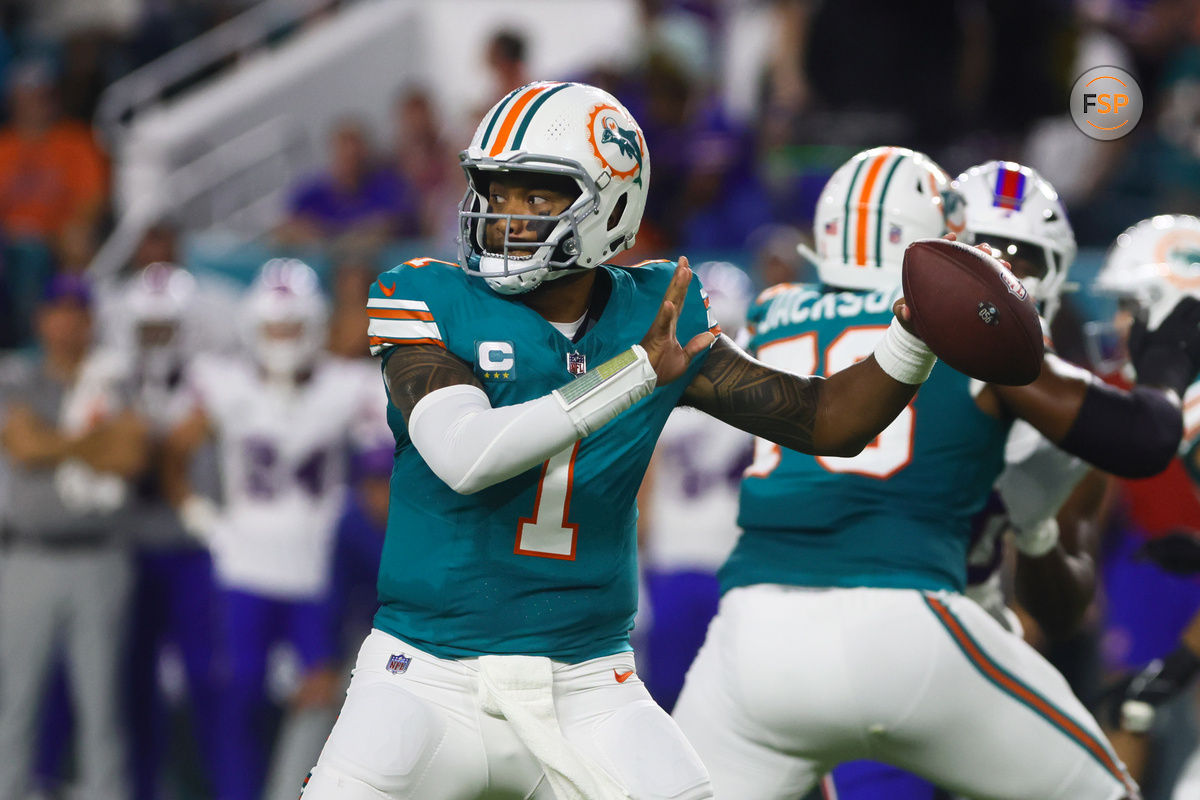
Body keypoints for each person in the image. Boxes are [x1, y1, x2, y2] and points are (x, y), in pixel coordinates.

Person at [301, 81, 942, 800]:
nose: (504, 212)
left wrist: (914, 337)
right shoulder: (425, 294)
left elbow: (827, 420)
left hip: (588, 683)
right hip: (424, 675)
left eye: (536, 196)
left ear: (610, 204)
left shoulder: (654, 311)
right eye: (495, 188)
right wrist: (634, 375)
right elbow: (464, 455)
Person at [672, 150, 1200, 800]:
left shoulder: (773, 311)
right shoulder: (965, 323)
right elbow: (1141, 438)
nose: (992, 262)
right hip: (906, 623)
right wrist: (1169, 365)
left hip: (752, 633)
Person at [163, 259, 388, 800]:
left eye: (293, 327)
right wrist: (202, 518)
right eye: (274, 328)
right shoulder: (227, 383)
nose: (284, 339)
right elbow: (172, 452)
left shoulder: (346, 383)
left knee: (318, 710)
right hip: (245, 570)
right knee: (237, 704)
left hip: (317, 578)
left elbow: (395, 458)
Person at [0, 274, 148, 800]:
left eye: (75, 311)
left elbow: (130, 456)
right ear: (41, 320)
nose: (65, 322)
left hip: (100, 558)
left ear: (90, 321)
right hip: (28, 557)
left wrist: (55, 442)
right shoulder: (16, 377)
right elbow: (22, 446)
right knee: (16, 700)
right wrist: (93, 443)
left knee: (103, 702)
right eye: (55, 310)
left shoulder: (114, 380)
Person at [637, 260, 755, 712]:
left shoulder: (663, 385)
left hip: (679, 559)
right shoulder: (767, 394)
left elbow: (643, 483)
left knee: (670, 702)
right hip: (728, 561)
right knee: (728, 707)